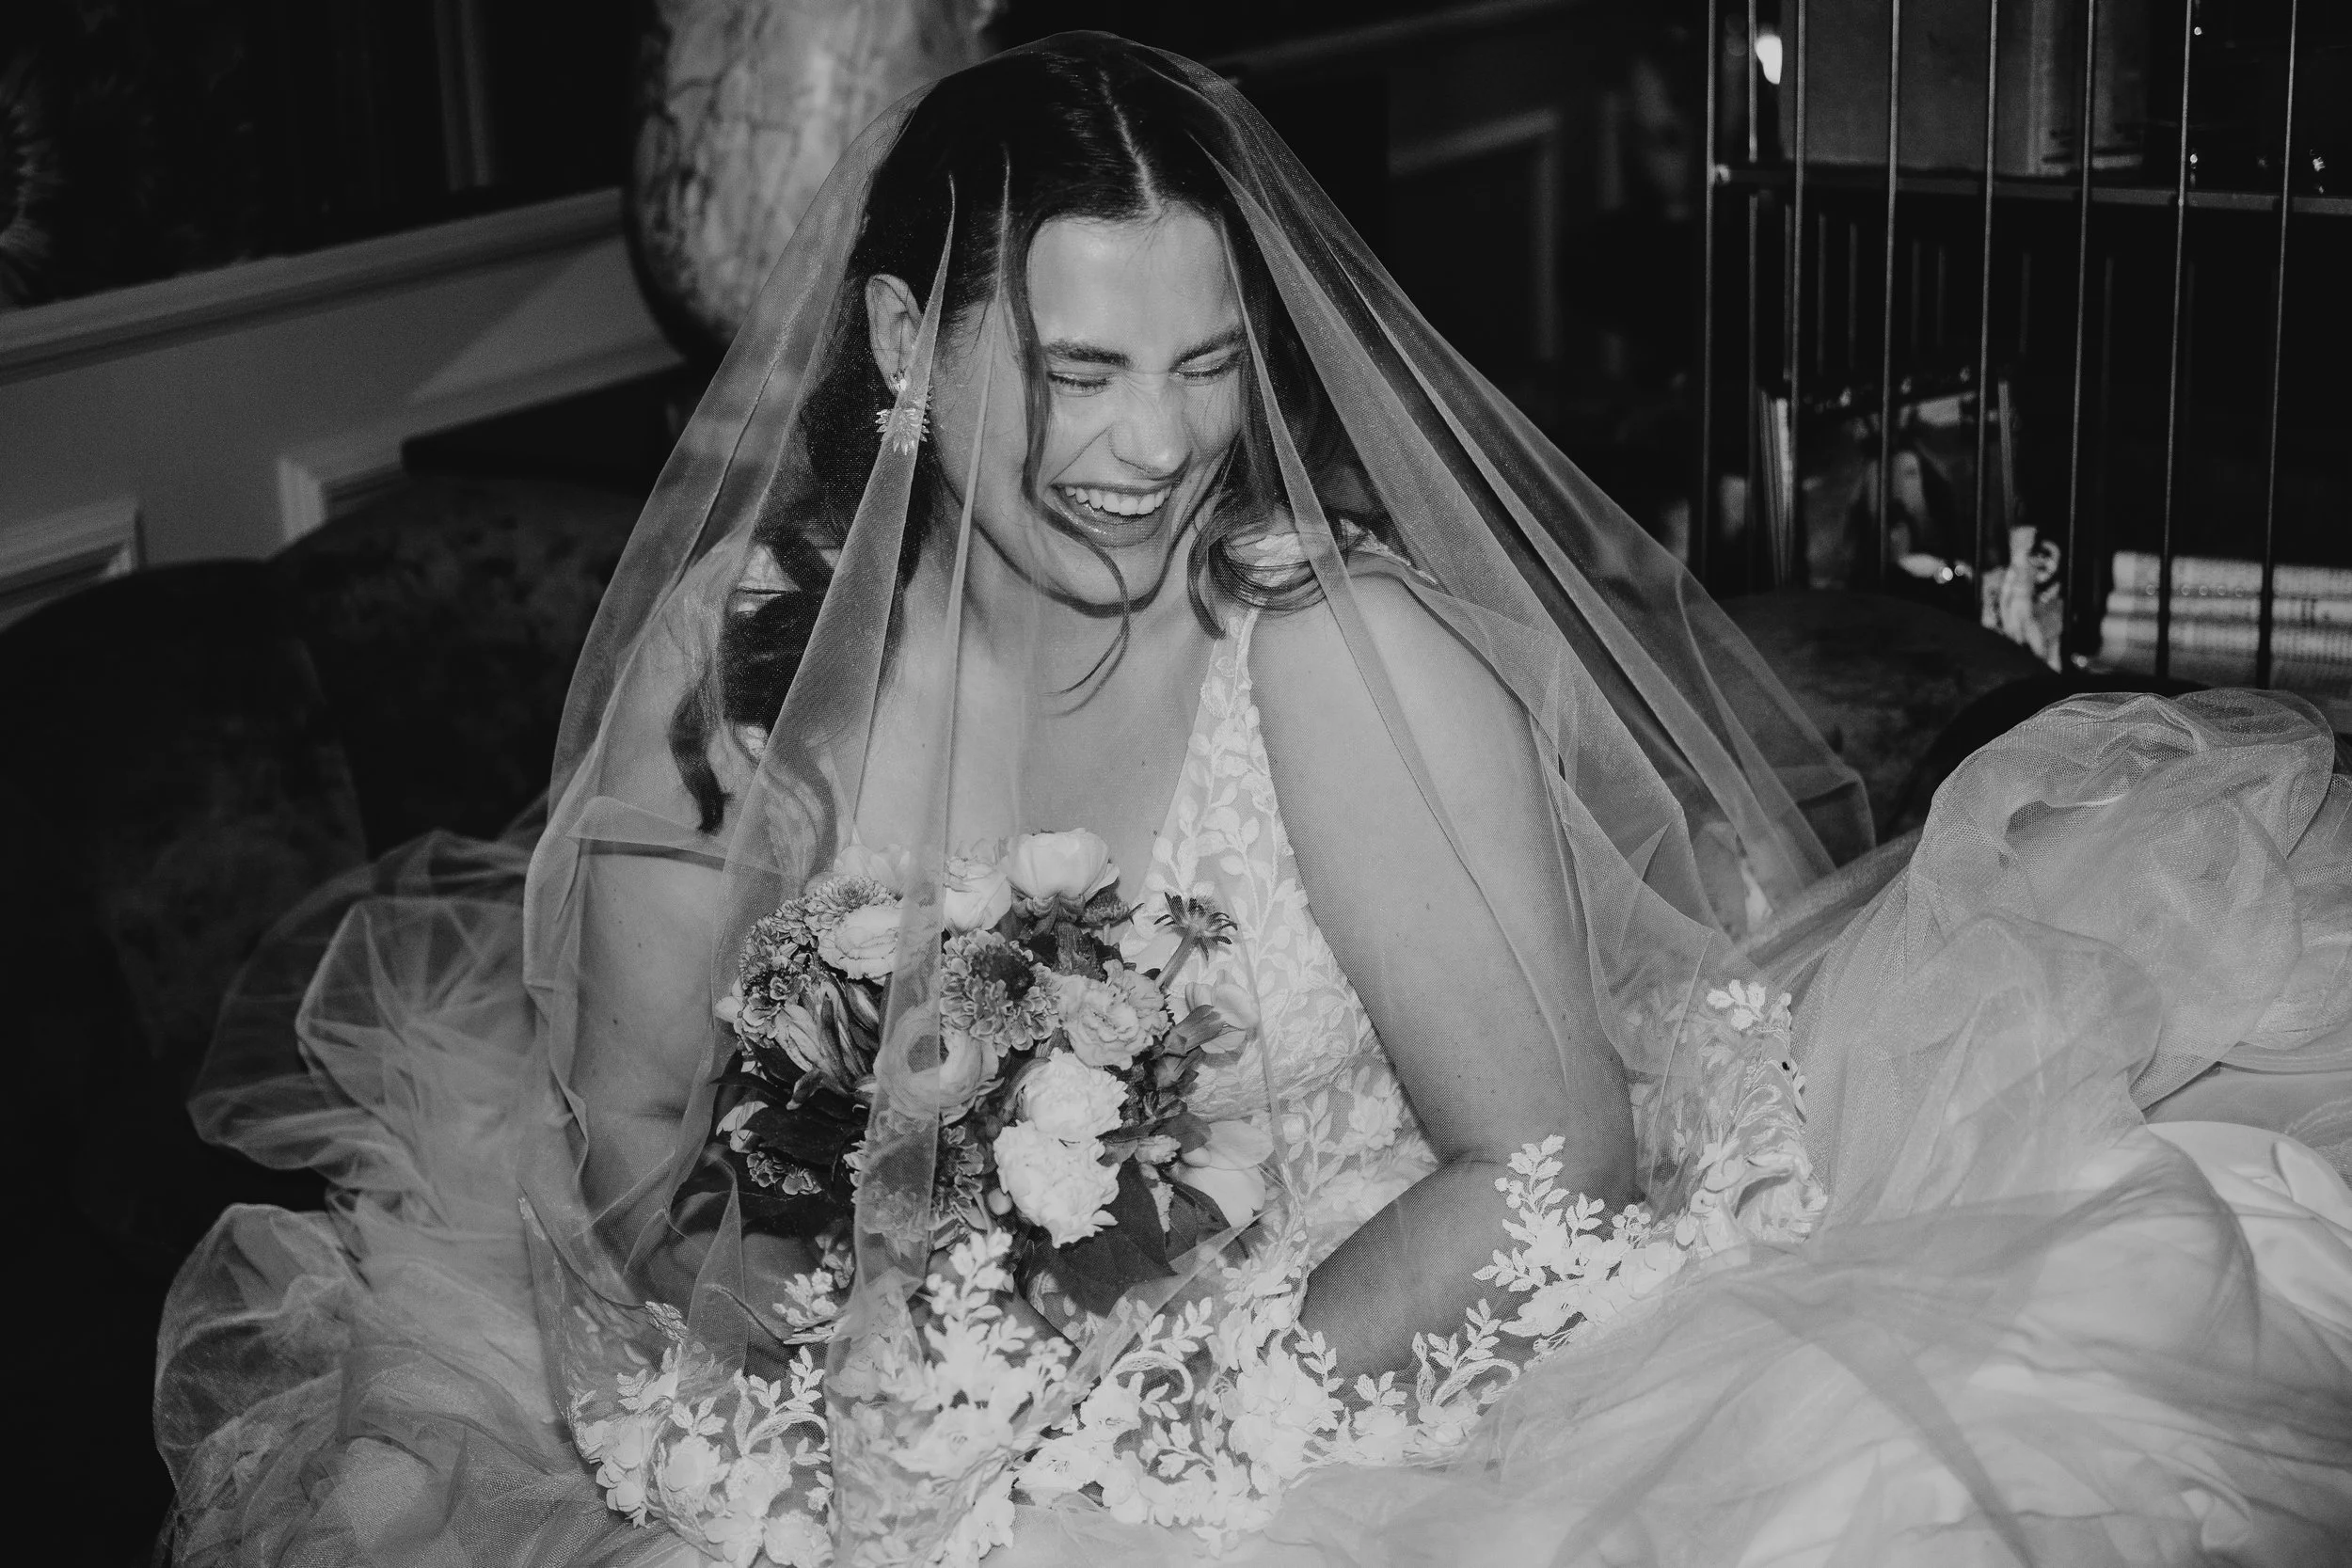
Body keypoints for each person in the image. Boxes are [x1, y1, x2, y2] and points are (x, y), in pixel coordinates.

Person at [156, 34, 2352, 1568]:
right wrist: (830, 1361)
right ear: (907, 347)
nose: (1154, 447)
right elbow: (638, 1123)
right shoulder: (737, 672)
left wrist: (1160, 1415)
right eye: (1082, 370)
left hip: (1389, 1368)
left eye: (1206, 368)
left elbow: (1548, 1165)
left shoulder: (1331, 657)